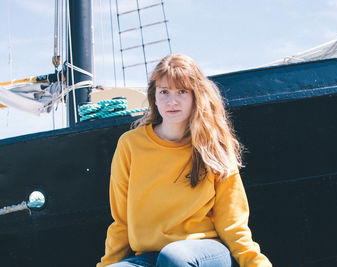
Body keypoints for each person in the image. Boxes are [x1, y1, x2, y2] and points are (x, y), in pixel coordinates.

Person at [97, 53, 272, 267]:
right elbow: (121, 221)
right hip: (151, 256)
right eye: (164, 92)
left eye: (181, 91)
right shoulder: (130, 145)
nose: (172, 101)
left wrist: (255, 263)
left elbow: (233, 222)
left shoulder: (213, 147)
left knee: (175, 257)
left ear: (196, 96)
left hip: (205, 252)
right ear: (154, 97)